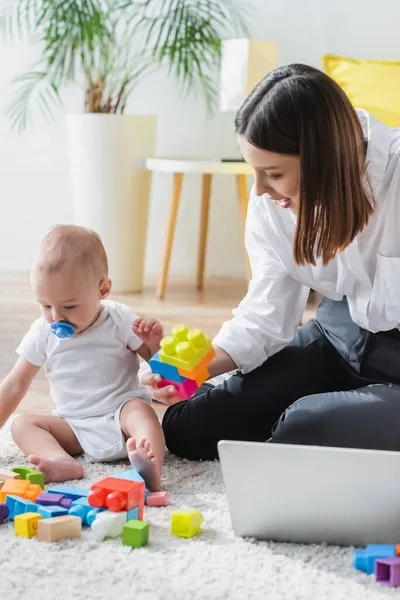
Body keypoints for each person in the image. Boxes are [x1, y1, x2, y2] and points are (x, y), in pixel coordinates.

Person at [144, 63, 400, 461]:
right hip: (337, 339)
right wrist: (192, 370)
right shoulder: (274, 205)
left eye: (273, 174)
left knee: (301, 428)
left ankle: (330, 410)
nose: (259, 190)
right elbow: (266, 314)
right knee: (188, 427)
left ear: (324, 160)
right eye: (254, 171)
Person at [0, 225, 165, 490]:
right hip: (73, 427)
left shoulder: (119, 320)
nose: (56, 317)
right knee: (22, 424)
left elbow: (160, 370)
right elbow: (14, 385)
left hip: (119, 418)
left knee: (141, 411)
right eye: (45, 306)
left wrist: (154, 345)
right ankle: (60, 460)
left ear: (103, 290)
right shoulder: (43, 332)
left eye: (69, 306)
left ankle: (151, 465)